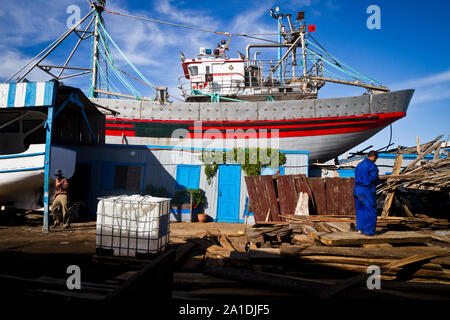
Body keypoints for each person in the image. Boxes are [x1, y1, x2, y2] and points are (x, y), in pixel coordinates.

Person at [353, 151, 380, 236]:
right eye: (376, 159)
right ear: (374, 157)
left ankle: (360, 229)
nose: (375, 160)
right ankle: (369, 232)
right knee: (371, 209)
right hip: (366, 189)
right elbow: (374, 178)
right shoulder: (372, 165)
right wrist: (378, 181)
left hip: (357, 189)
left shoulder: (359, 165)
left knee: (360, 209)